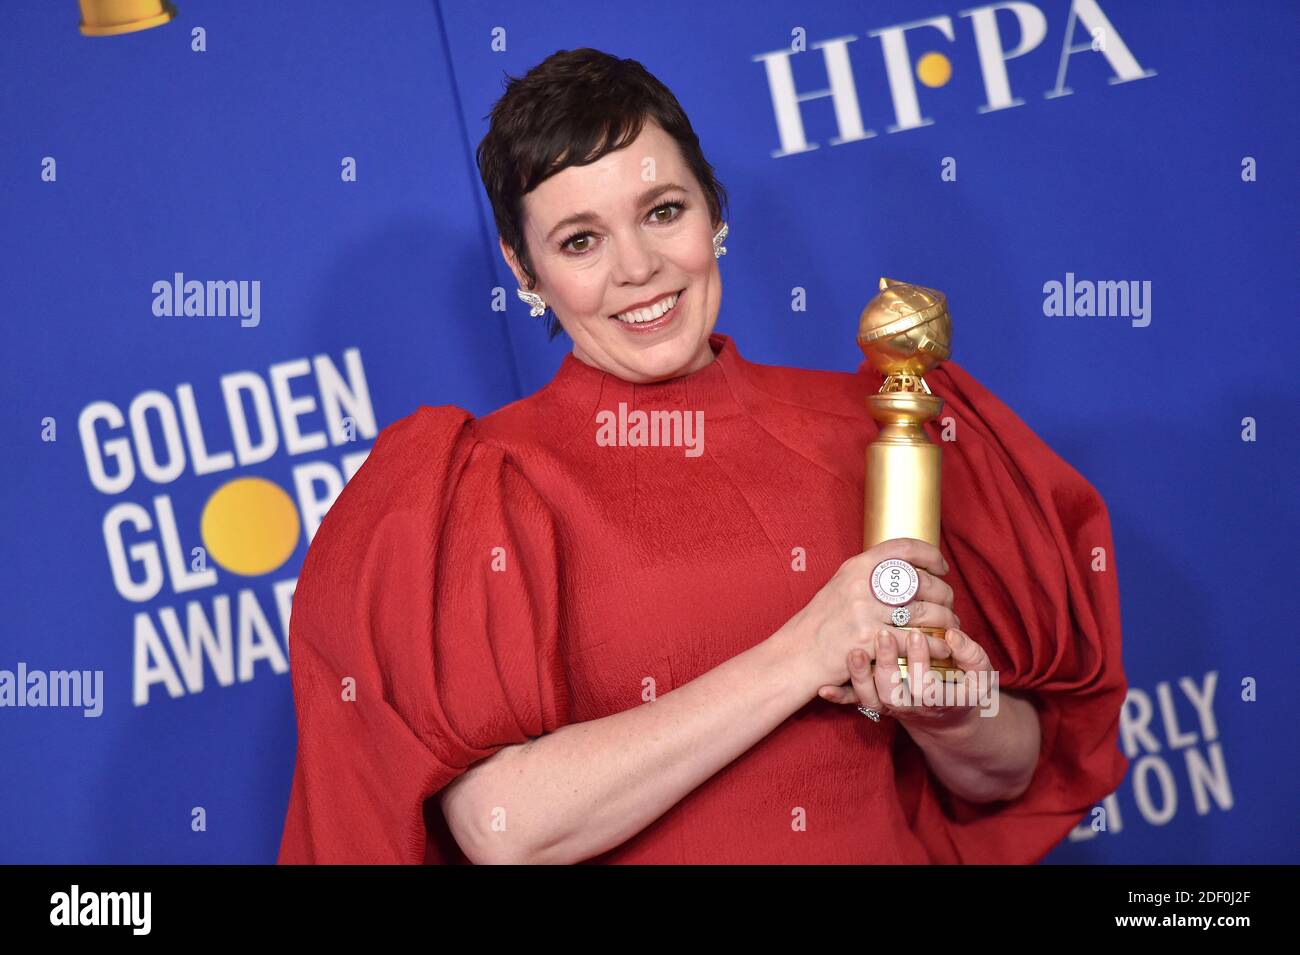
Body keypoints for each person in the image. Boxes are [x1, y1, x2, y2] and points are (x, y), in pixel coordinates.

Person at [276, 48, 1128, 865]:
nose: (638, 268)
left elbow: (1007, 770)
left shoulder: (871, 429)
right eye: (580, 240)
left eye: (662, 211)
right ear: (523, 268)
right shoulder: (486, 486)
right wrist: (805, 652)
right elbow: (503, 829)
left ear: (713, 210)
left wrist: (947, 711)